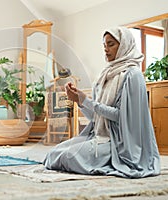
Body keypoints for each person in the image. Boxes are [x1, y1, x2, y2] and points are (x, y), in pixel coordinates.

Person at [43, 27, 161, 178]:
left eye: (111, 44)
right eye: (104, 45)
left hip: (118, 141)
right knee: (53, 154)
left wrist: (87, 101)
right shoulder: (104, 75)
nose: (106, 49)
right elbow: (96, 118)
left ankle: (110, 160)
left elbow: (122, 117)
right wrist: (80, 101)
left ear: (124, 45)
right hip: (98, 135)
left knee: (67, 157)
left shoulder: (133, 75)